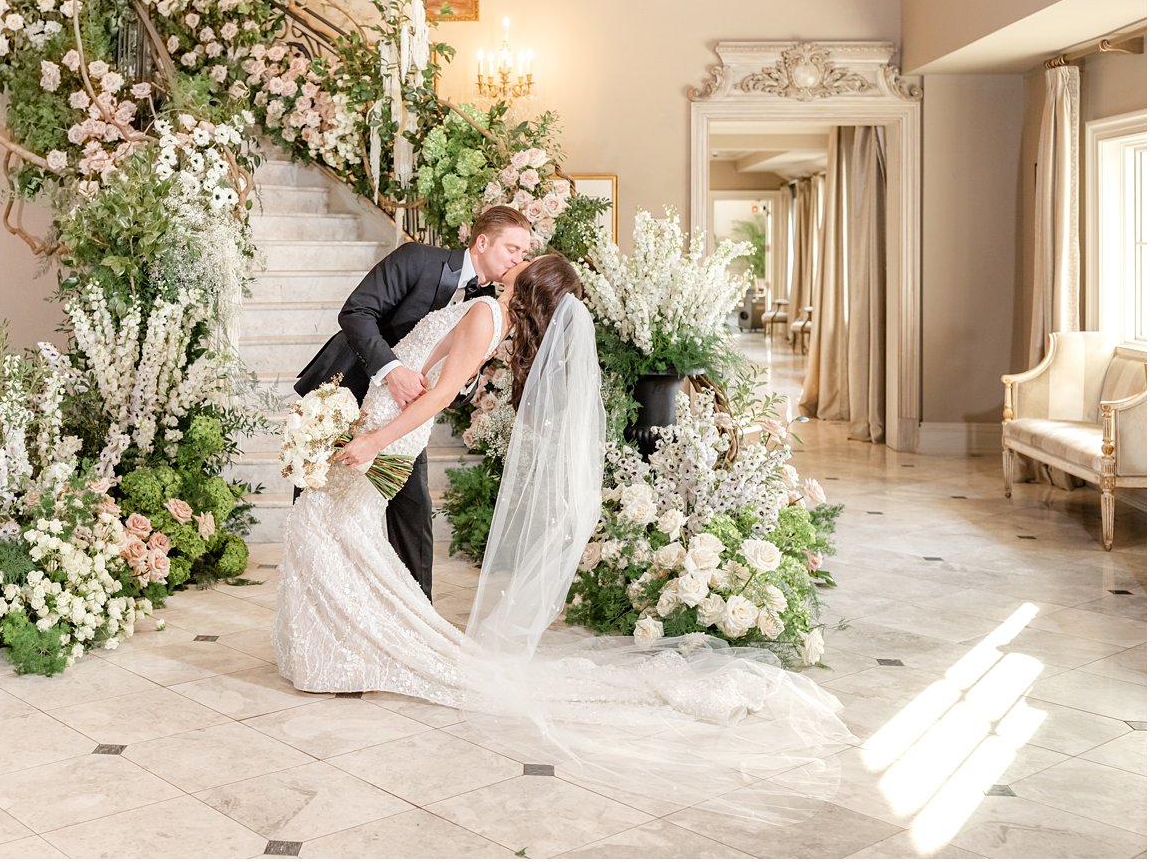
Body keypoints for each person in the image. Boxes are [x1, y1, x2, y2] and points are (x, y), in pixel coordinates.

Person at [275, 253, 852, 810]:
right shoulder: (488, 311)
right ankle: (345, 649)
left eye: (527, 256)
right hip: (383, 421)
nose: (518, 256)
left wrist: (374, 439)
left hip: (389, 433)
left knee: (322, 528)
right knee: (337, 533)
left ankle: (354, 651)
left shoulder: (485, 315)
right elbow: (427, 367)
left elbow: (443, 392)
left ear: (528, 278)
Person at [292, 205, 533, 599]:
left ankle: (415, 621)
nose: (517, 259)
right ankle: (314, 606)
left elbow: (455, 380)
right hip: (343, 395)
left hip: (402, 422)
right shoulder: (416, 258)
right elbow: (356, 313)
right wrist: (392, 369)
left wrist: (465, 383)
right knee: (317, 511)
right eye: (512, 248)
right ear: (483, 241)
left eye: (523, 253)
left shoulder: (491, 305)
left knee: (414, 518)